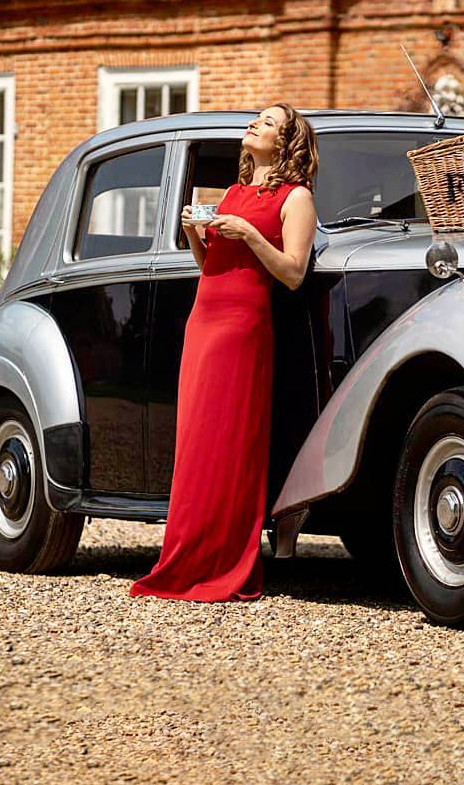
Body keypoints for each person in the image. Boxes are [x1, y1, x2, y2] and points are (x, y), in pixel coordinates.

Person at [130, 103, 318, 602]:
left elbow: (294, 273)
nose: (255, 124)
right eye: (256, 118)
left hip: (243, 325)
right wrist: (197, 232)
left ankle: (224, 562)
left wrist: (251, 234)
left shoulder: (296, 197)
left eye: (269, 122)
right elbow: (210, 263)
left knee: (230, 442)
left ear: (287, 141)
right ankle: (184, 557)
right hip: (204, 321)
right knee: (197, 442)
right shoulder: (233, 193)